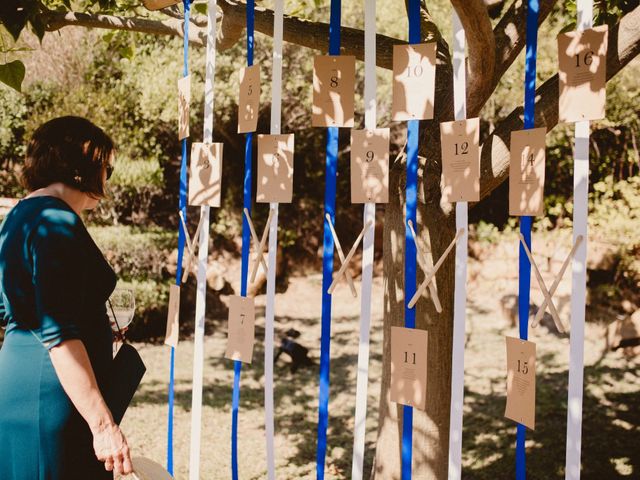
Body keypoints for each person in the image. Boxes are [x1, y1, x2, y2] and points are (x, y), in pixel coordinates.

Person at [0, 116, 133, 479]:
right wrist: (104, 426)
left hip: (18, 386)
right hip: (53, 397)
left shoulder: (19, 217)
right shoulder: (56, 222)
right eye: (107, 167)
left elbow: (11, 308)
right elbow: (58, 334)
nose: (107, 176)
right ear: (83, 167)